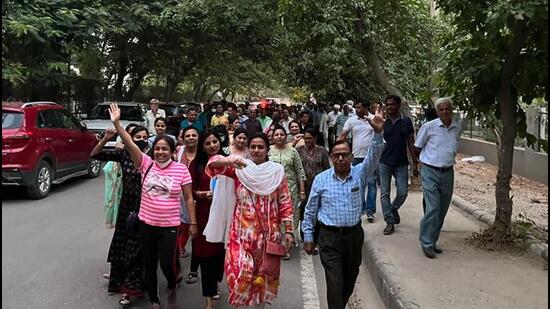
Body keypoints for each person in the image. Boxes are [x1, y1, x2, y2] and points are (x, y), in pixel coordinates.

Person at [108, 103, 198, 309]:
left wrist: (192, 223)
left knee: (166, 263)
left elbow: (189, 198)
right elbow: (130, 143)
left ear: (173, 151)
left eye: (165, 149)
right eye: (157, 148)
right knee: (149, 265)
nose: (160, 152)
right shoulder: (146, 164)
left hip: (169, 226)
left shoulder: (181, 170)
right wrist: (117, 124)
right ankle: (155, 299)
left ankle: (172, 282)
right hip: (146, 224)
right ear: (152, 150)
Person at [302, 110, 385, 309]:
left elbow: (374, 155)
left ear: (351, 156)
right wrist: (308, 236)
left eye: (344, 155)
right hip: (328, 239)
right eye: (336, 155)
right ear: (331, 158)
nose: (340, 159)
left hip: (353, 237)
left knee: (348, 280)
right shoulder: (321, 180)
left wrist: (378, 133)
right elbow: (311, 210)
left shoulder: (360, 174)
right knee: (334, 282)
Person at [206, 132, 294, 308]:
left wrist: (289, 230)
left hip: (269, 235)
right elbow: (212, 166)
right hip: (241, 234)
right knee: (242, 272)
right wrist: (228, 160)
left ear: (267, 150)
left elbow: (285, 201)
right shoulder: (240, 169)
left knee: (262, 278)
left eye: (260, 147)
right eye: (252, 146)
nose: (256, 150)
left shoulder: (276, 173)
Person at [91, 125, 150, 306]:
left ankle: (135, 286)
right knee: (122, 243)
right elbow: (95, 155)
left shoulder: (151, 158)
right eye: (137, 136)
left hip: (146, 207)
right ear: (129, 138)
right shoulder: (122, 155)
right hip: (125, 206)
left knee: (138, 247)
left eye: (144, 136)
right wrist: (106, 138)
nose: (141, 139)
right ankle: (118, 282)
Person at [414, 98, 461, 259]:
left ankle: (433, 241)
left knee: (442, 209)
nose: (445, 112)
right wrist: (417, 166)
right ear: (437, 111)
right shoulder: (429, 127)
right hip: (429, 170)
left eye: (447, 109)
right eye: (441, 109)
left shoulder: (457, 128)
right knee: (433, 207)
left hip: (448, 172)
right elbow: (417, 147)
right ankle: (426, 243)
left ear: (452, 110)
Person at [191, 130, 227, 308]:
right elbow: (190, 192)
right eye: (208, 143)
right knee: (206, 257)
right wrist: (203, 194)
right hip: (204, 215)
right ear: (202, 147)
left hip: (224, 216)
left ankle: (216, 281)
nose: (212, 145)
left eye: (215, 141)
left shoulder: (229, 162)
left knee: (220, 255)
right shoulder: (197, 165)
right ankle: (209, 298)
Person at [378, 95, 419, 235]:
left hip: (401, 162)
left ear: (398, 105)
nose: (389, 107)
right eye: (387, 105)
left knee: (403, 192)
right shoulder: (384, 121)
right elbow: (376, 135)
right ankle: (389, 222)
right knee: (384, 194)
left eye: (392, 104)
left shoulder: (406, 122)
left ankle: (393, 208)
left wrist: (415, 162)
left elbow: (411, 142)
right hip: (384, 162)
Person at [270, 126, 307, 255]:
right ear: (272, 137)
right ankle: (279, 242)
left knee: (289, 217)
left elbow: (300, 171)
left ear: (286, 136)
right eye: (276, 135)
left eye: (281, 134)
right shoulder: (268, 151)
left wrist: (302, 191)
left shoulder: (292, 151)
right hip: (272, 191)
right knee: (275, 217)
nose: (279, 137)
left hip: (291, 191)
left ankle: (288, 243)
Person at [338, 100, 377, 222]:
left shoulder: (374, 119)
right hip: (355, 156)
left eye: (359, 107)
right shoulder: (352, 120)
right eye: (356, 107)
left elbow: (380, 134)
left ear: (366, 108)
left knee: (371, 183)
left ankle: (370, 211)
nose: (356, 109)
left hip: (370, 157)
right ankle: (361, 207)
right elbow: (343, 135)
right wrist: (336, 148)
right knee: (357, 183)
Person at [296, 129, 330, 242]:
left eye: (309, 138)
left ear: (315, 138)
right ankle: (305, 236)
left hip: (319, 187)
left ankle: (317, 237)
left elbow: (327, 170)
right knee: (304, 212)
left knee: (318, 212)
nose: (307, 140)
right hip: (303, 187)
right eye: (305, 138)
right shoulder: (299, 150)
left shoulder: (322, 151)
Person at [174, 127, 200, 281]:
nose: (191, 137)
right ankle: (179, 249)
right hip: (179, 195)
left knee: (194, 225)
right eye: (187, 135)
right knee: (181, 225)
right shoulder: (178, 151)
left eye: (193, 135)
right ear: (182, 138)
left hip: (197, 195)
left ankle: (194, 268)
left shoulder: (203, 153)